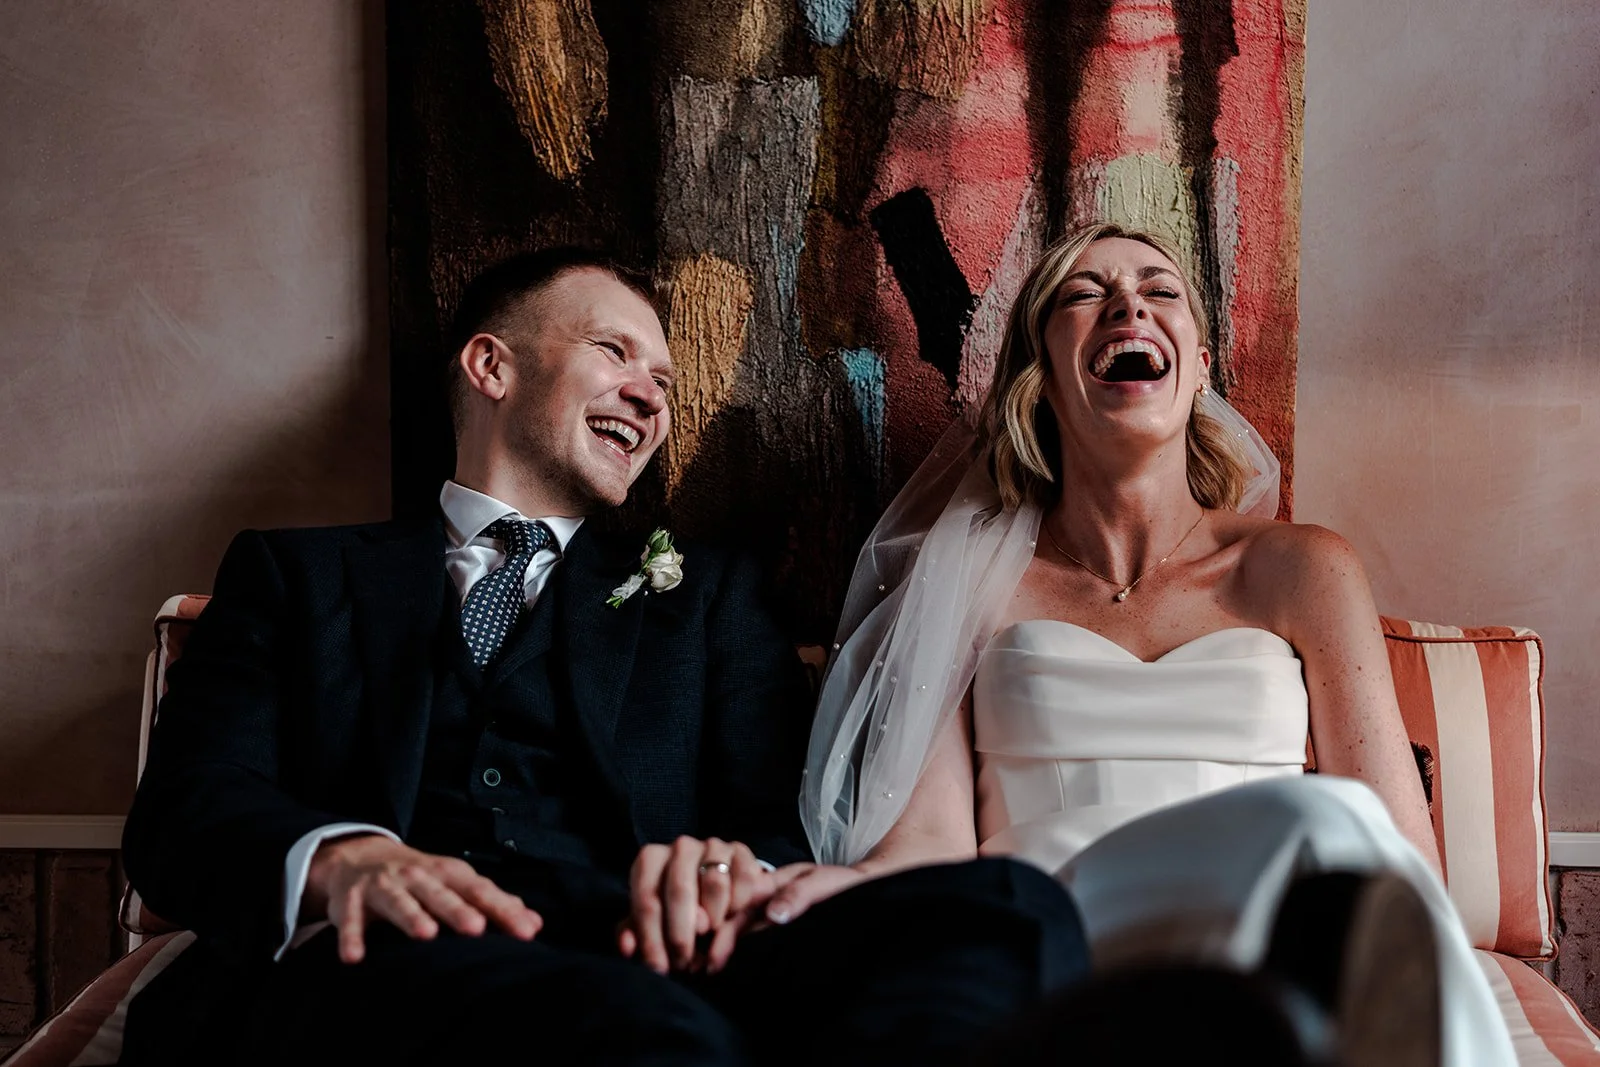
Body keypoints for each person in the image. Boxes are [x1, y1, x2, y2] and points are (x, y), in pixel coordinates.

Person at [117, 248, 1089, 1067]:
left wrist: (727, 869)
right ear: (491, 366)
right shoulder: (297, 573)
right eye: (613, 351)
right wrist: (340, 860)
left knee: (1007, 907)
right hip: (389, 954)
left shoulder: (704, 594)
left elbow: (777, 821)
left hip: (650, 941)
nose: (649, 396)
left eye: (662, 381)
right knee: (646, 1030)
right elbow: (185, 814)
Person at [777, 223, 1518, 1065]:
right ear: (1042, 375)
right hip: (1059, 935)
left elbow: (1402, 851)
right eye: (1085, 294)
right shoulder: (969, 583)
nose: (1129, 301)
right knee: (1322, 816)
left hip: (1262, 936)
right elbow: (930, 852)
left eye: (1160, 291)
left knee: (1338, 828)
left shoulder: (1301, 566)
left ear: (1200, 367)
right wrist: (795, 891)